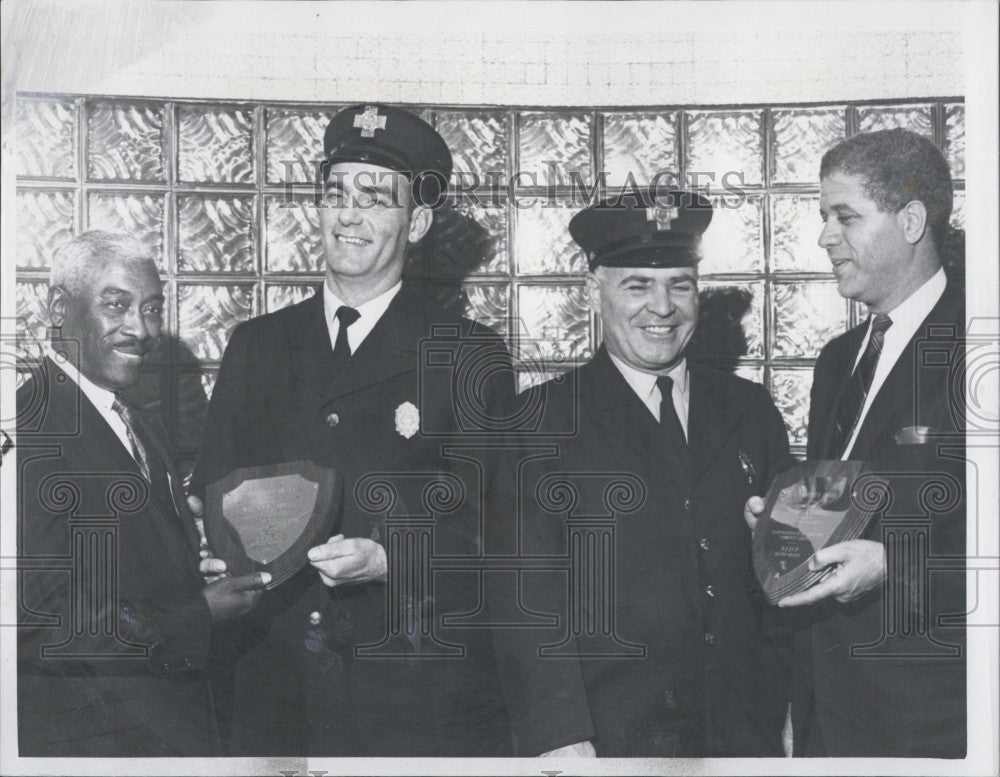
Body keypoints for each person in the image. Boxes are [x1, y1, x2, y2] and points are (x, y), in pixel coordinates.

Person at [190, 104, 515, 755]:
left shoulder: (465, 354)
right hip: (274, 689)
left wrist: (389, 559)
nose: (347, 215)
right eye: (335, 194)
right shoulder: (257, 345)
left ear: (417, 221)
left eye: (374, 198)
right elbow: (213, 491)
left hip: (411, 698)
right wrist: (204, 545)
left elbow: (498, 540)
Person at [490, 189, 793, 756]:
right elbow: (524, 597)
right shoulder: (541, 420)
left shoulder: (749, 410)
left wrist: (798, 705)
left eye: (680, 284)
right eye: (637, 285)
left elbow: (784, 578)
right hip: (611, 738)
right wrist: (561, 738)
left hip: (743, 730)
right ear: (593, 291)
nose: (663, 307)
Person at [745, 128, 966, 757]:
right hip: (829, 716)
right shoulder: (838, 360)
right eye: (823, 217)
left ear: (912, 220)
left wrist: (893, 567)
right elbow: (846, 504)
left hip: (938, 726)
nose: (823, 237)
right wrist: (781, 520)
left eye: (845, 216)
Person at [16, 231, 268, 757]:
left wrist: (191, 568)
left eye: (152, 309)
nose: (141, 329)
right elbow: (44, 624)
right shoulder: (27, 429)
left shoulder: (140, 424)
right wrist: (200, 614)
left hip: (168, 731)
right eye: (117, 305)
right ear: (59, 308)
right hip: (95, 746)